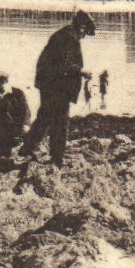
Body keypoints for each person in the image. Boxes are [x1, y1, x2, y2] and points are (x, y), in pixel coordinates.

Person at [21, 11, 95, 165]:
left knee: (45, 117)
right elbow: (65, 64)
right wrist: (81, 72)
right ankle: (57, 157)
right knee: (60, 122)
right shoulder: (68, 38)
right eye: (85, 33)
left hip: (50, 83)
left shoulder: (66, 34)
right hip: (56, 85)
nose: (84, 37)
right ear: (81, 27)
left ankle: (27, 148)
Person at [0, 71, 30, 159]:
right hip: (2, 133)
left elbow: (26, 111)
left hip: (17, 130)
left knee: (21, 156)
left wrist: (25, 125)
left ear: (3, 81)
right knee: (4, 157)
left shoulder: (17, 93)